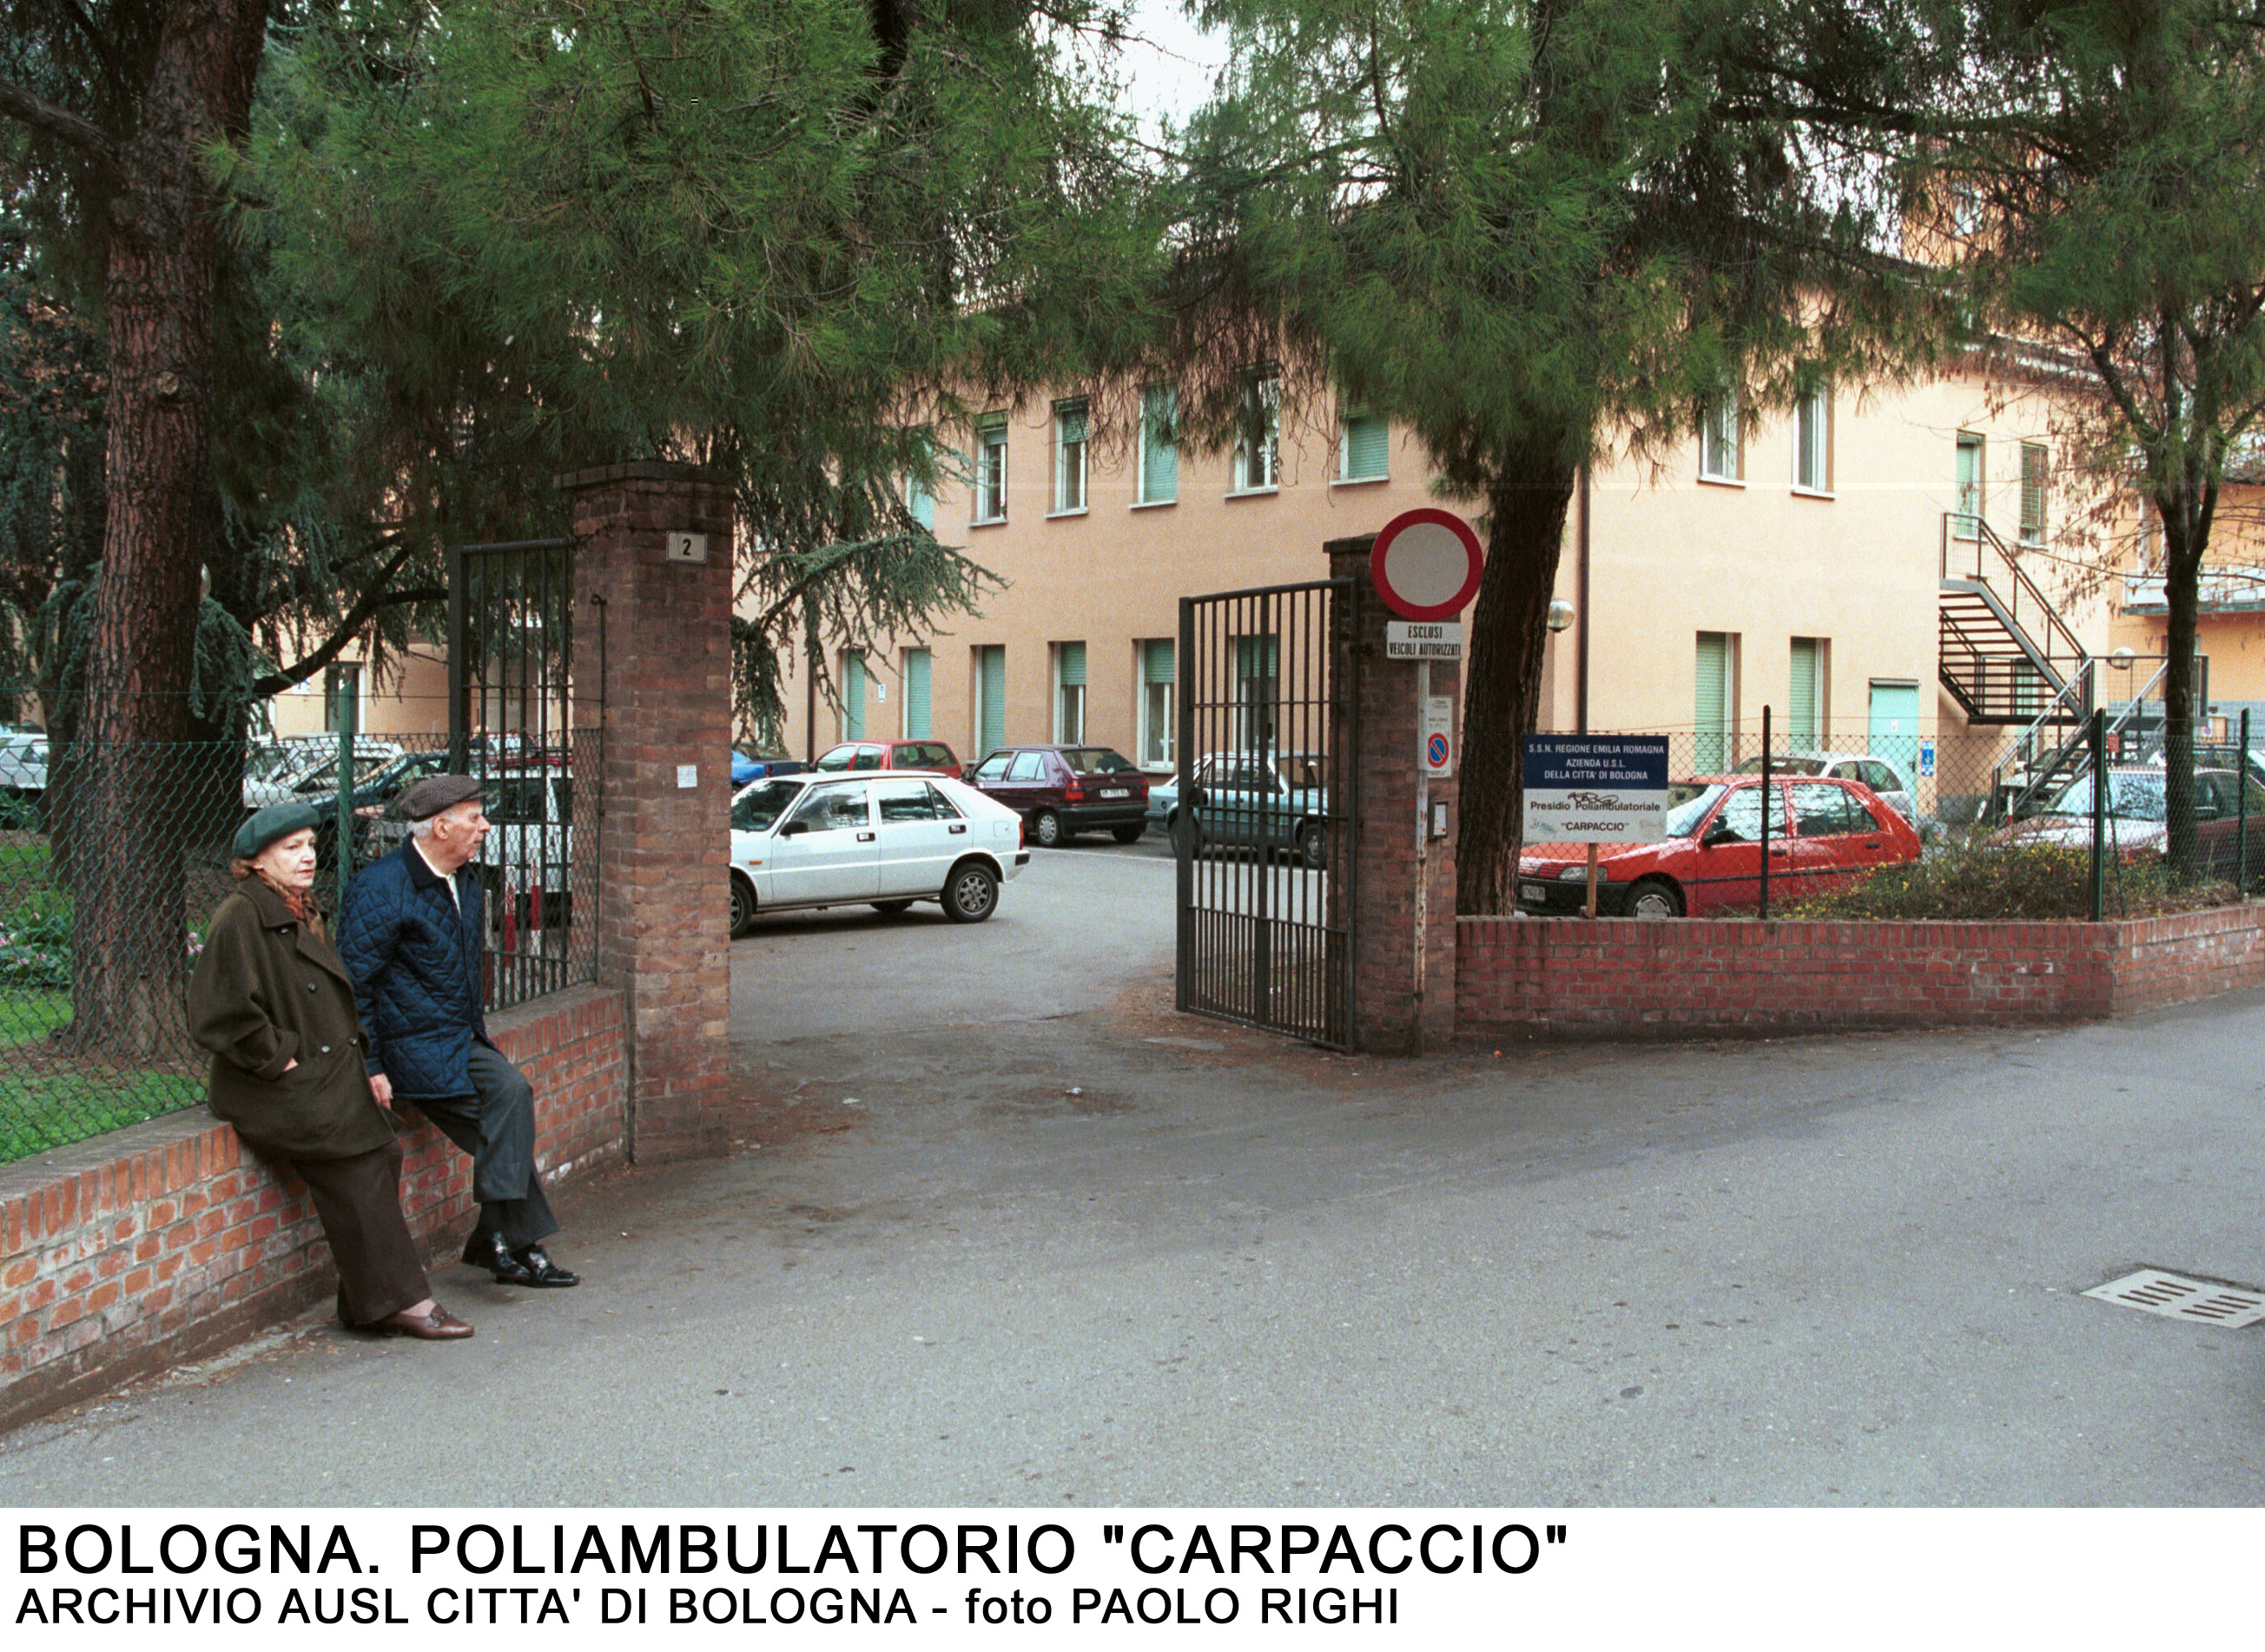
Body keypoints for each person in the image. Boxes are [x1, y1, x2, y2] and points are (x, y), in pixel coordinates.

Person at [188, 803, 472, 1340]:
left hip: (319, 1074)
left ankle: (369, 1300)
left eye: (310, 846)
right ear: (256, 862)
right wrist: (280, 1056)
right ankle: (406, 1302)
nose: (306, 858)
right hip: (269, 1084)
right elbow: (217, 1013)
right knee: (360, 1162)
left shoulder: (298, 907)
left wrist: (361, 1062)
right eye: (291, 849)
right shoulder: (242, 915)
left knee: (383, 1149)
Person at [336, 774, 579, 1287]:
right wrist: (372, 1064)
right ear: (440, 827)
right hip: (410, 1051)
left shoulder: (467, 880)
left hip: (459, 1039)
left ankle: (494, 1238)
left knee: (512, 1096)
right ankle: (517, 1244)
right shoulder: (380, 888)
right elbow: (353, 987)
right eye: (474, 817)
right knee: (505, 1131)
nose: (485, 827)